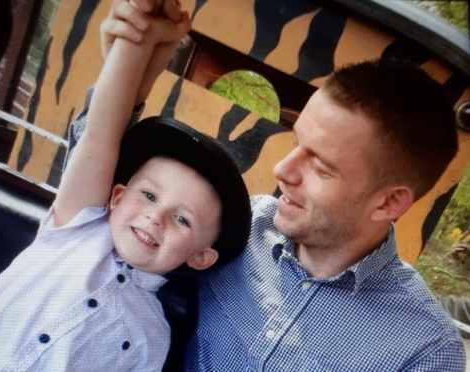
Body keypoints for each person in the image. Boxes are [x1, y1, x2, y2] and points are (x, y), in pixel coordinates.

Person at [91, 1, 466, 370]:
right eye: (295, 142)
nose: (282, 170)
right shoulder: (235, 225)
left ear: (388, 204)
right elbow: (97, 225)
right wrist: (127, 71)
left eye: (321, 167)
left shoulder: (424, 351)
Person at [0, 6, 251, 372]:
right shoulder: (77, 229)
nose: (157, 215)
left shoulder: (153, 338)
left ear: (200, 256)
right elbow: (101, 132)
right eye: (149, 195)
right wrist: (138, 42)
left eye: (183, 219)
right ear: (117, 198)